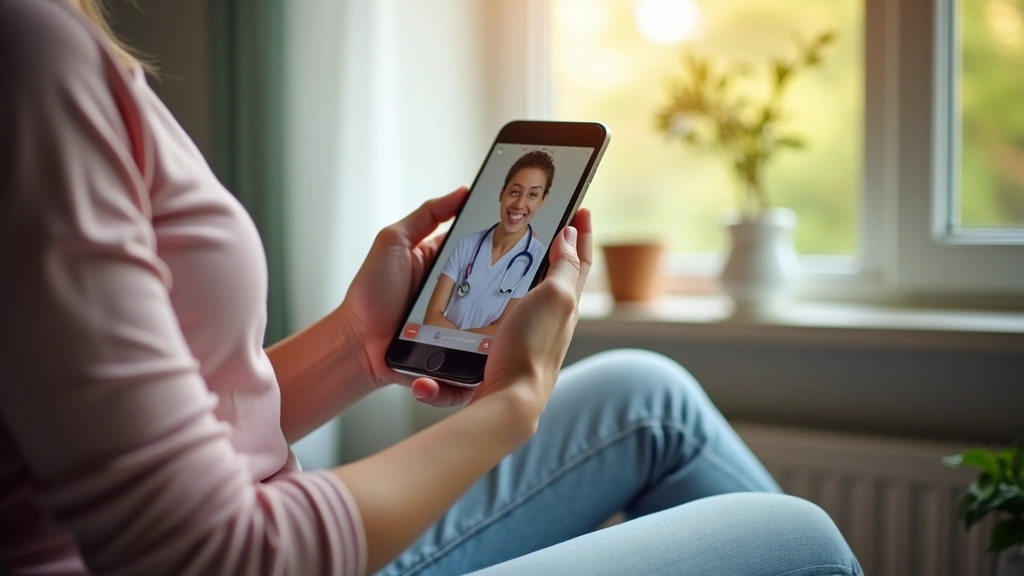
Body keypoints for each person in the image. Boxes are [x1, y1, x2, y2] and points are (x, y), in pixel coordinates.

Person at [0, 1, 863, 575]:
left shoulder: (55, 47)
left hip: (253, 520)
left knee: (649, 393)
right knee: (803, 539)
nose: (523, 205)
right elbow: (204, 556)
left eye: (533, 195)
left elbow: (150, 425)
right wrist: (513, 401)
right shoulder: (30, 51)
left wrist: (355, 343)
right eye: (516, 192)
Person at [423, 151, 552, 334]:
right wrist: (465, 342)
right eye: (514, 192)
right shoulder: (467, 244)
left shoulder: (538, 259)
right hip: (440, 353)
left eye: (532, 194)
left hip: (482, 360)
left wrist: (452, 340)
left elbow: (502, 331)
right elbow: (432, 316)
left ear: (542, 200)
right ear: (502, 194)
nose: (519, 203)